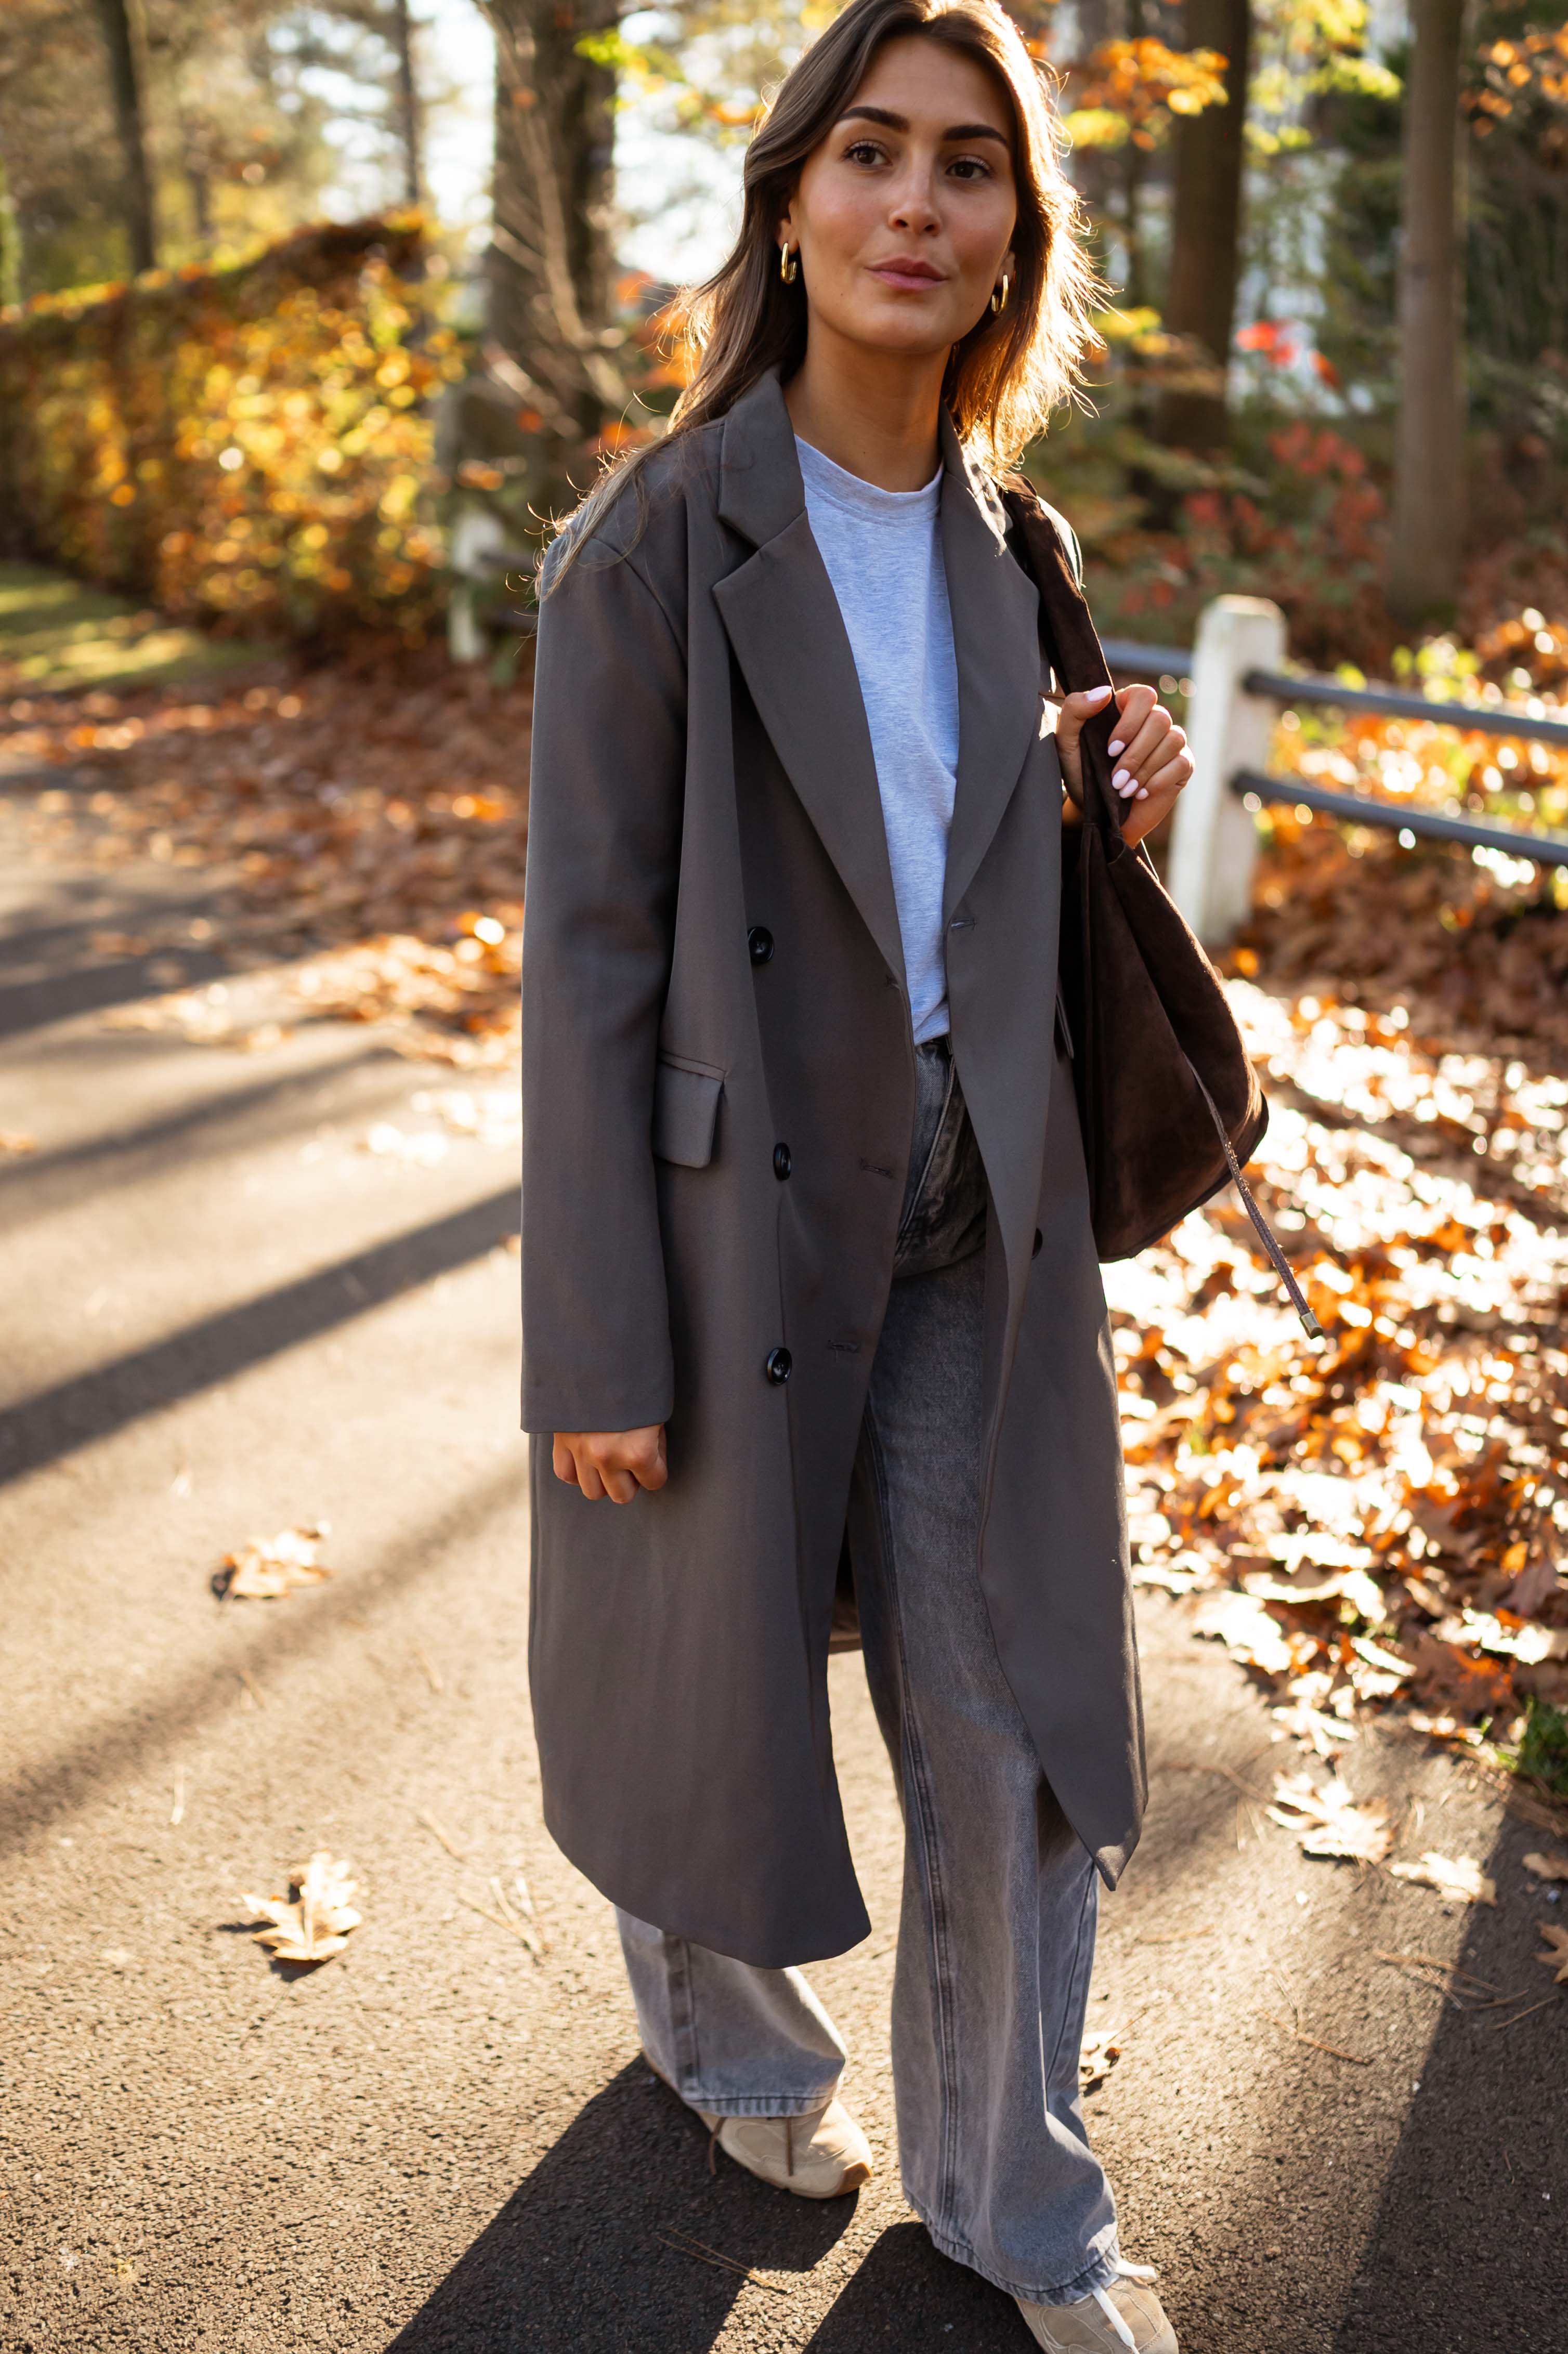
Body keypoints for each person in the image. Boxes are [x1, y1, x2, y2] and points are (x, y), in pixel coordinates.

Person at [520, 3, 1195, 2346]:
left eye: (972, 169)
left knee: (1014, 1719)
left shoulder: (1022, 546)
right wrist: (593, 1335)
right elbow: (591, 962)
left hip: (974, 1223)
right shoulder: (652, 541)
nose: (921, 204)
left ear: (1019, 237)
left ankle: (1020, 2208)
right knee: (703, 1685)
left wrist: (1109, 779)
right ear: (793, 203)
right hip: (723, 1219)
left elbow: (983, 858)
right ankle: (720, 2040)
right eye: (874, 155)